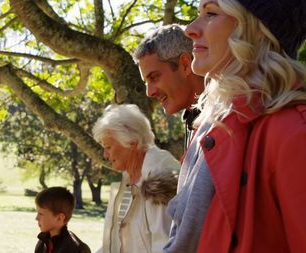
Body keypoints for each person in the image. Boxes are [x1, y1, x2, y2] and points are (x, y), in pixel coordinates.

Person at [164, 0, 306, 252]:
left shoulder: (293, 132)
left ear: (254, 29)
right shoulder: (208, 128)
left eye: (210, 13)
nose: (191, 29)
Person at [92, 104, 180, 253]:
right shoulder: (128, 177)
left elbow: (165, 246)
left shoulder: (159, 178)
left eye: (108, 147)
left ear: (131, 143)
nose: (105, 155)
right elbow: (116, 243)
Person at [133, 24, 205, 147]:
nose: (149, 92)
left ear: (185, 65)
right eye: (146, 82)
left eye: (154, 77)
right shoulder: (193, 121)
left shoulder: (227, 118)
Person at [34, 186, 91, 253]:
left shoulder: (77, 249)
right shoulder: (43, 243)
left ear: (59, 218)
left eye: (41, 214)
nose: (36, 218)